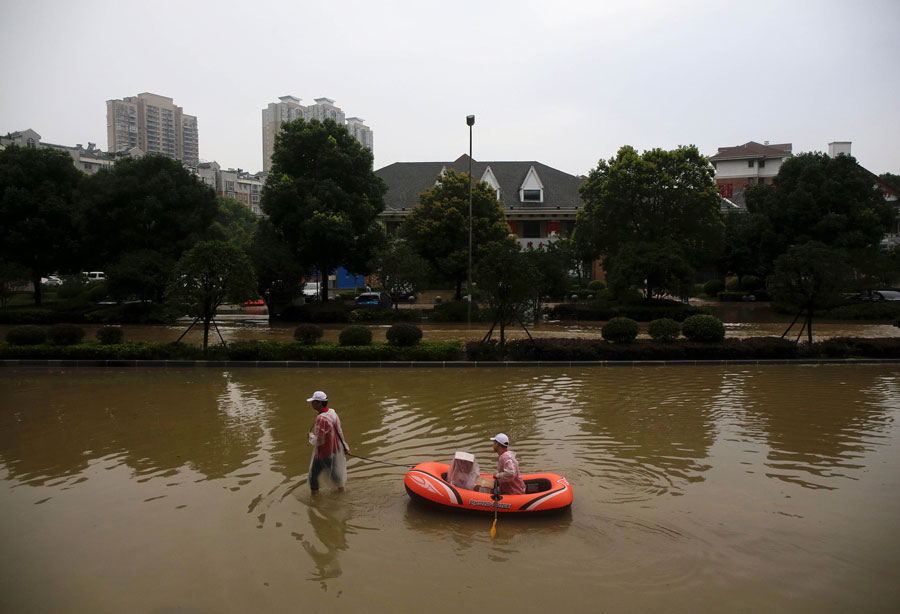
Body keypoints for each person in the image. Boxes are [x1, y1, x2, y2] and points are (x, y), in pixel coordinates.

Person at [307, 390, 349, 493]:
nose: (312, 404)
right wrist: (345, 447)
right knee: (334, 473)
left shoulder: (321, 418)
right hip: (334, 450)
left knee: (313, 477)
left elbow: (320, 440)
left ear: (320, 403)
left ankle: (315, 500)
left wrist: (311, 437)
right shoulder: (332, 413)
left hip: (324, 452)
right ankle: (342, 491)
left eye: (314, 402)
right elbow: (339, 431)